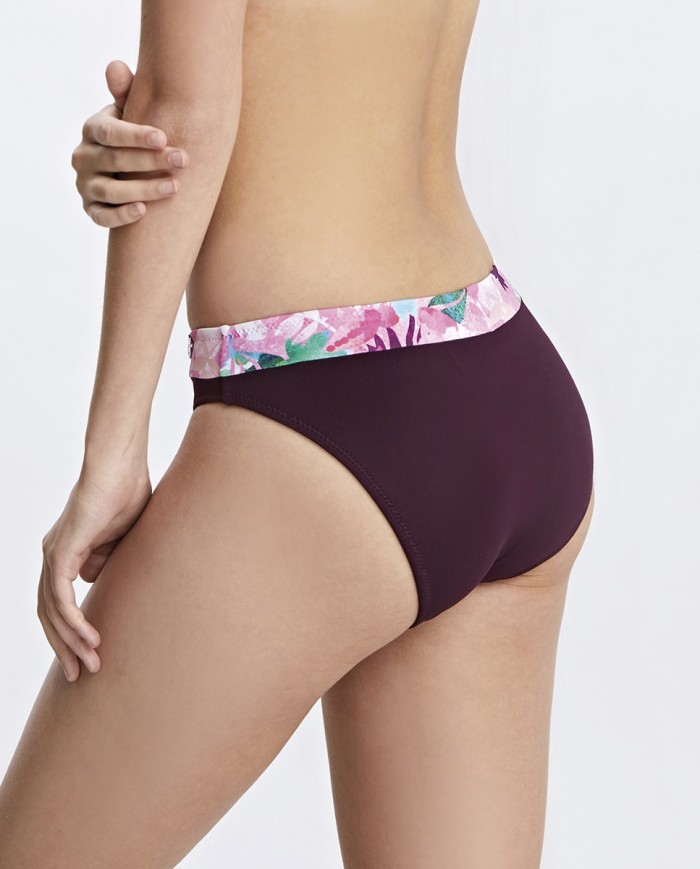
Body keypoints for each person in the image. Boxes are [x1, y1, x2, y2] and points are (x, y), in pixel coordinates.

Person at [0, 3, 595, 866]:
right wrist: (139, 145)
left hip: (326, 402)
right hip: (498, 368)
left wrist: (112, 456)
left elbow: (184, 113)